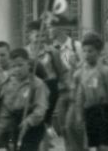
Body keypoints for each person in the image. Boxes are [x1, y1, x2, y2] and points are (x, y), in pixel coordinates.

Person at [0, 48, 49, 151]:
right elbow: (4, 106)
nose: (17, 69)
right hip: (13, 123)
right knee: (11, 147)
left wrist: (29, 121)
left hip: (32, 125)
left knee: (26, 148)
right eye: (13, 66)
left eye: (20, 65)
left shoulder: (37, 84)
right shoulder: (8, 82)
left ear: (28, 64)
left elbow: (41, 108)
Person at [74, 33, 108, 151]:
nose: (86, 54)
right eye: (84, 51)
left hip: (104, 112)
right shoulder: (81, 73)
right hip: (89, 112)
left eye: (90, 51)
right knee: (91, 146)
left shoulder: (106, 71)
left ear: (98, 52)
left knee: (104, 146)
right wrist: (79, 114)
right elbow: (80, 95)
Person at [47, 18, 84, 151]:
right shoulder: (51, 50)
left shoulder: (77, 46)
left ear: (60, 28)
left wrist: (76, 66)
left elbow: (86, 67)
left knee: (74, 126)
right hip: (61, 92)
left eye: (50, 27)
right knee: (64, 128)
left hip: (76, 92)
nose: (48, 31)